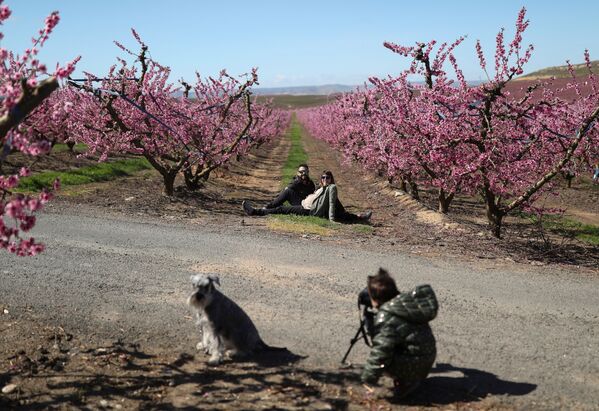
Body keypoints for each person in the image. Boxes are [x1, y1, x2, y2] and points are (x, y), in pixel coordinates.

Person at [361, 268, 438, 399]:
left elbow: (381, 352)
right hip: (427, 358)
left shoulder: (387, 316)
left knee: (384, 360)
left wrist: (368, 378)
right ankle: (410, 378)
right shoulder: (405, 304)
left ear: (376, 299)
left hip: (415, 364)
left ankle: (406, 382)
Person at [242, 170, 372, 223]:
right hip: (303, 203)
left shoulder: (330, 189)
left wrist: (334, 219)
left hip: (308, 210)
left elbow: (334, 204)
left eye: (328, 177)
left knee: (282, 209)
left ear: (332, 179)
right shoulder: (321, 188)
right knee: (288, 191)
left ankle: (255, 212)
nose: (325, 179)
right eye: (323, 177)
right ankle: (266, 207)